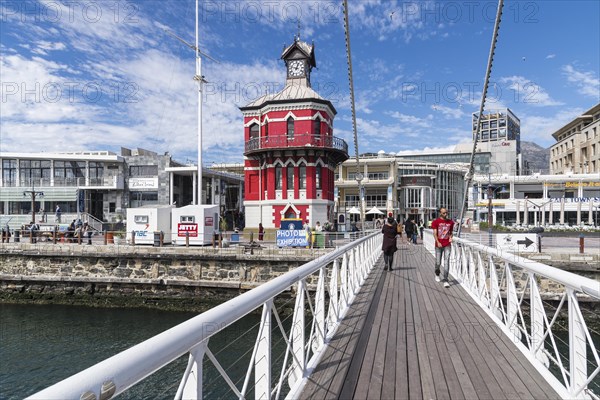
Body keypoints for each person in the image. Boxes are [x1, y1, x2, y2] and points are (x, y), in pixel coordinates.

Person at [432, 207, 455, 288]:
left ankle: (446, 279)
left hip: (447, 244)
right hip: (438, 245)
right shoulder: (436, 222)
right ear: (440, 213)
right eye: (444, 213)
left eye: (446, 212)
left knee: (446, 262)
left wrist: (451, 237)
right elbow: (434, 233)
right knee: (438, 262)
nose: (446, 214)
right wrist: (438, 242)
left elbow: (451, 232)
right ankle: (437, 274)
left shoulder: (451, 222)